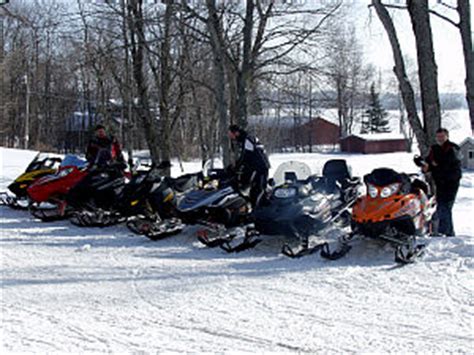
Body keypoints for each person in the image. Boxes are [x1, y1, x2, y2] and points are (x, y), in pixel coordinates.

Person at [420, 128, 462, 236]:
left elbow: (451, 166)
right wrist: (424, 165)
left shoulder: (452, 148)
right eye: (438, 137)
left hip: (450, 183)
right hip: (439, 183)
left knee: (445, 206)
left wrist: (436, 166)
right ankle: (446, 232)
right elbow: (428, 162)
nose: (440, 139)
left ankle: (445, 232)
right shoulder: (434, 149)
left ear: (447, 136)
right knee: (441, 207)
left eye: (442, 136)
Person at [228, 124, 271, 207]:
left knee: (258, 190)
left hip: (260, 168)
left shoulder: (247, 140)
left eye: (231, 134)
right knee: (254, 188)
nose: (231, 137)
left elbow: (246, 157)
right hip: (257, 168)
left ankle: (259, 209)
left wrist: (237, 167)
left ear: (236, 133)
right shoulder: (247, 139)